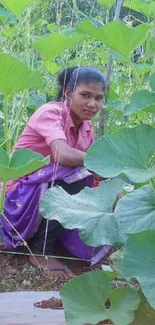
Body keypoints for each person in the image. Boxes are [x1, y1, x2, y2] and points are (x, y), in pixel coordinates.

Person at [1, 66, 111, 280]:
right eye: (85, 95)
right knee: (73, 172)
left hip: (44, 195)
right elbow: (63, 155)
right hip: (16, 198)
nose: (92, 104)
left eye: (99, 98)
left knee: (91, 181)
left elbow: (96, 174)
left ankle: (54, 238)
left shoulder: (87, 128)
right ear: (68, 93)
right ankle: (41, 252)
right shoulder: (50, 112)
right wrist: (100, 165)